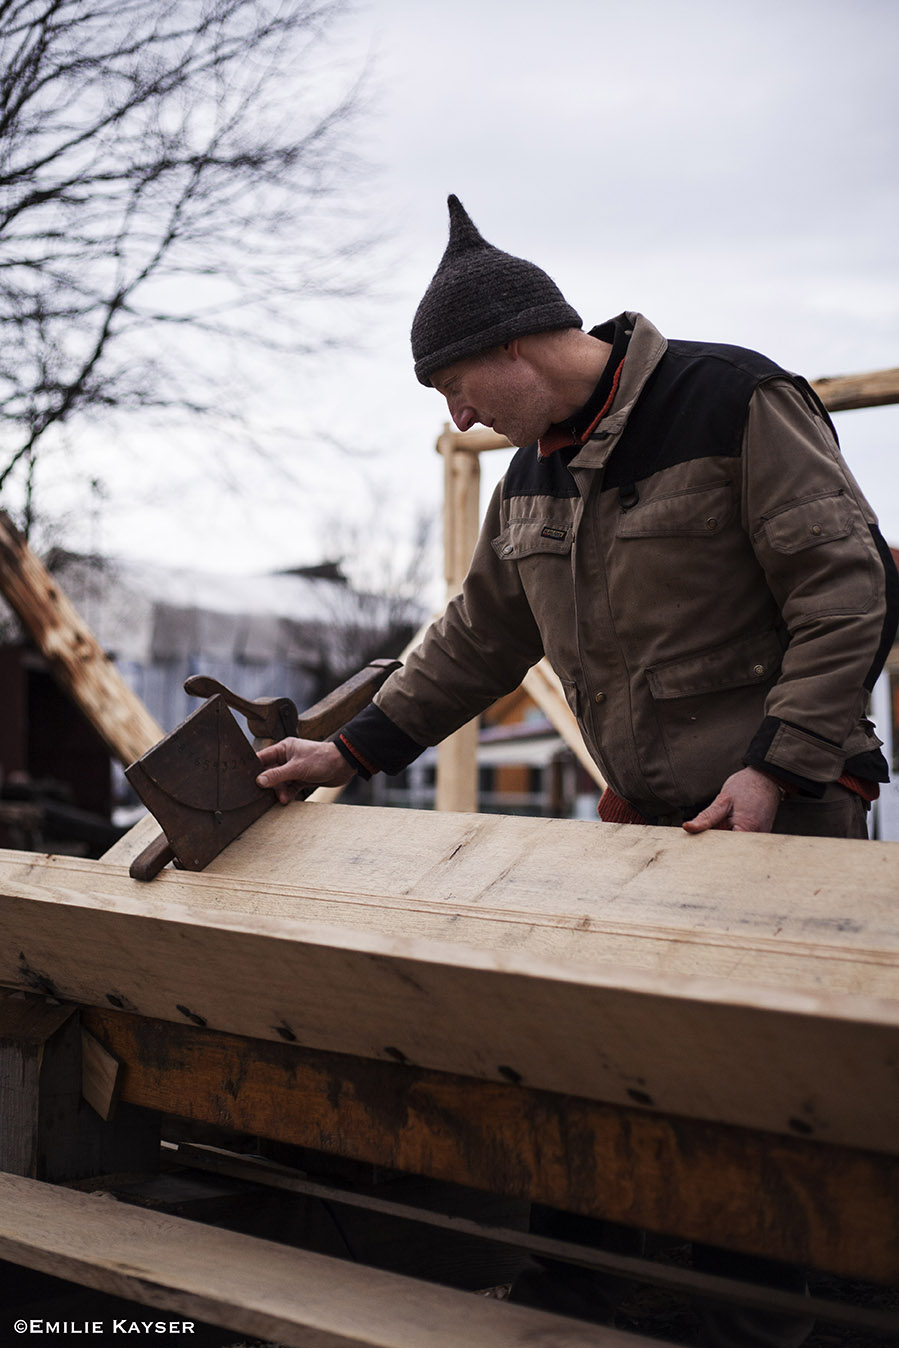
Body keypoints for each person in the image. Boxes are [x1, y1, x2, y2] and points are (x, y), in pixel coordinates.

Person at [257, 196, 899, 1344]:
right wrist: (346, 751)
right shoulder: (533, 478)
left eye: (456, 387)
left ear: (516, 344)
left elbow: (845, 589)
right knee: (651, 1065)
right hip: (650, 824)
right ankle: (632, 1293)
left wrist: (775, 767)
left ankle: (821, 1313)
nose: (456, 414)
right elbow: (475, 637)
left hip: (779, 815)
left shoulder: (733, 401)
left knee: (788, 1086)